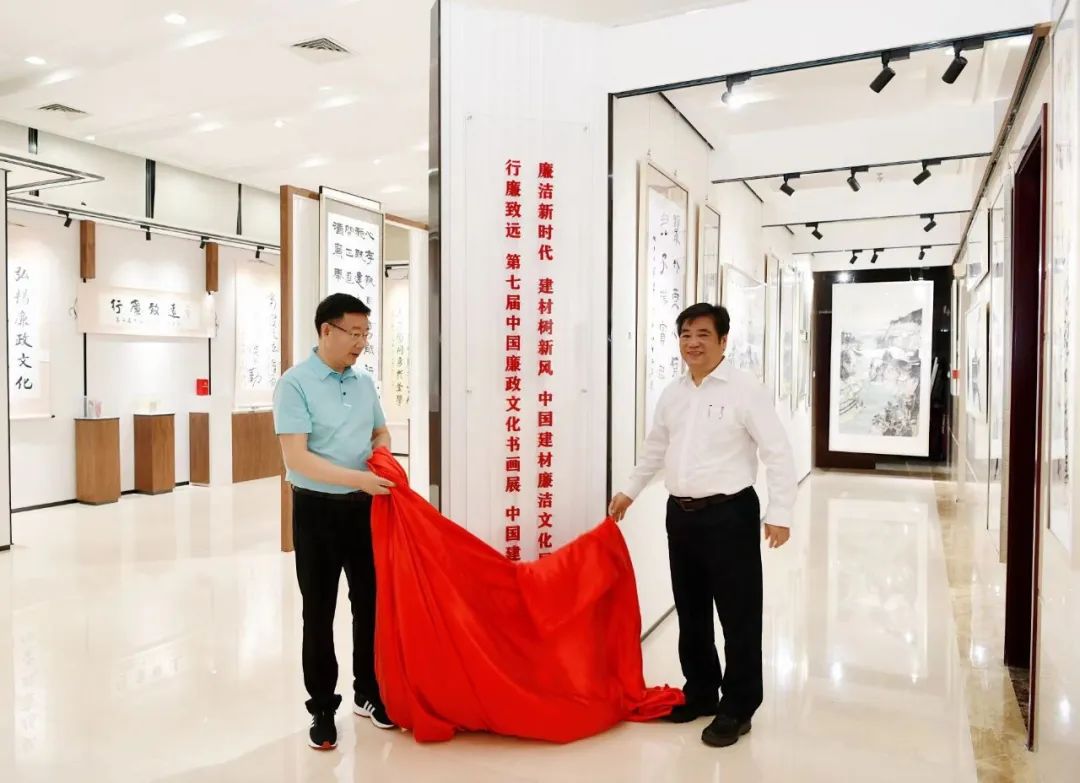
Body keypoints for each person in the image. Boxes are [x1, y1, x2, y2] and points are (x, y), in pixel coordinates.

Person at [608, 302, 796, 749]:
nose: (692, 343)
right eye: (686, 334)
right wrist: (630, 490)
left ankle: (739, 705)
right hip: (681, 514)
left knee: (738, 614)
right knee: (690, 611)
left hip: (730, 514)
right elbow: (655, 447)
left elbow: (777, 451)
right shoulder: (673, 393)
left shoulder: (744, 389)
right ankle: (701, 692)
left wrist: (781, 513)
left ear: (723, 341)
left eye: (703, 335)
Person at [273, 293, 397, 751]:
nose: (361, 343)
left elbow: (380, 430)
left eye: (366, 334)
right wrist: (358, 478)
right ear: (326, 330)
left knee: (370, 603)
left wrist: (380, 454)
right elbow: (297, 458)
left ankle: (369, 691)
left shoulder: (363, 383)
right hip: (316, 511)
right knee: (319, 610)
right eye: (355, 333)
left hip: (364, 510)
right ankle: (322, 707)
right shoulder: (295, 384)